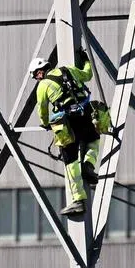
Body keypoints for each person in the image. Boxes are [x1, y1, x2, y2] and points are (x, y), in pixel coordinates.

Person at [30, 53, 100, 218]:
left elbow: (42, 109)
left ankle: (78, 200)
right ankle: (89, 165)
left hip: (66, 123)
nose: (36, 79)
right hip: (85, 113)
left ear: (39, 72)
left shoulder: (43, 85)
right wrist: (85, 60)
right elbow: (88, 74)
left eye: (35, 76)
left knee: (70, 160)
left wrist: (46, 123)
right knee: (93, 140)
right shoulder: (68, 70)